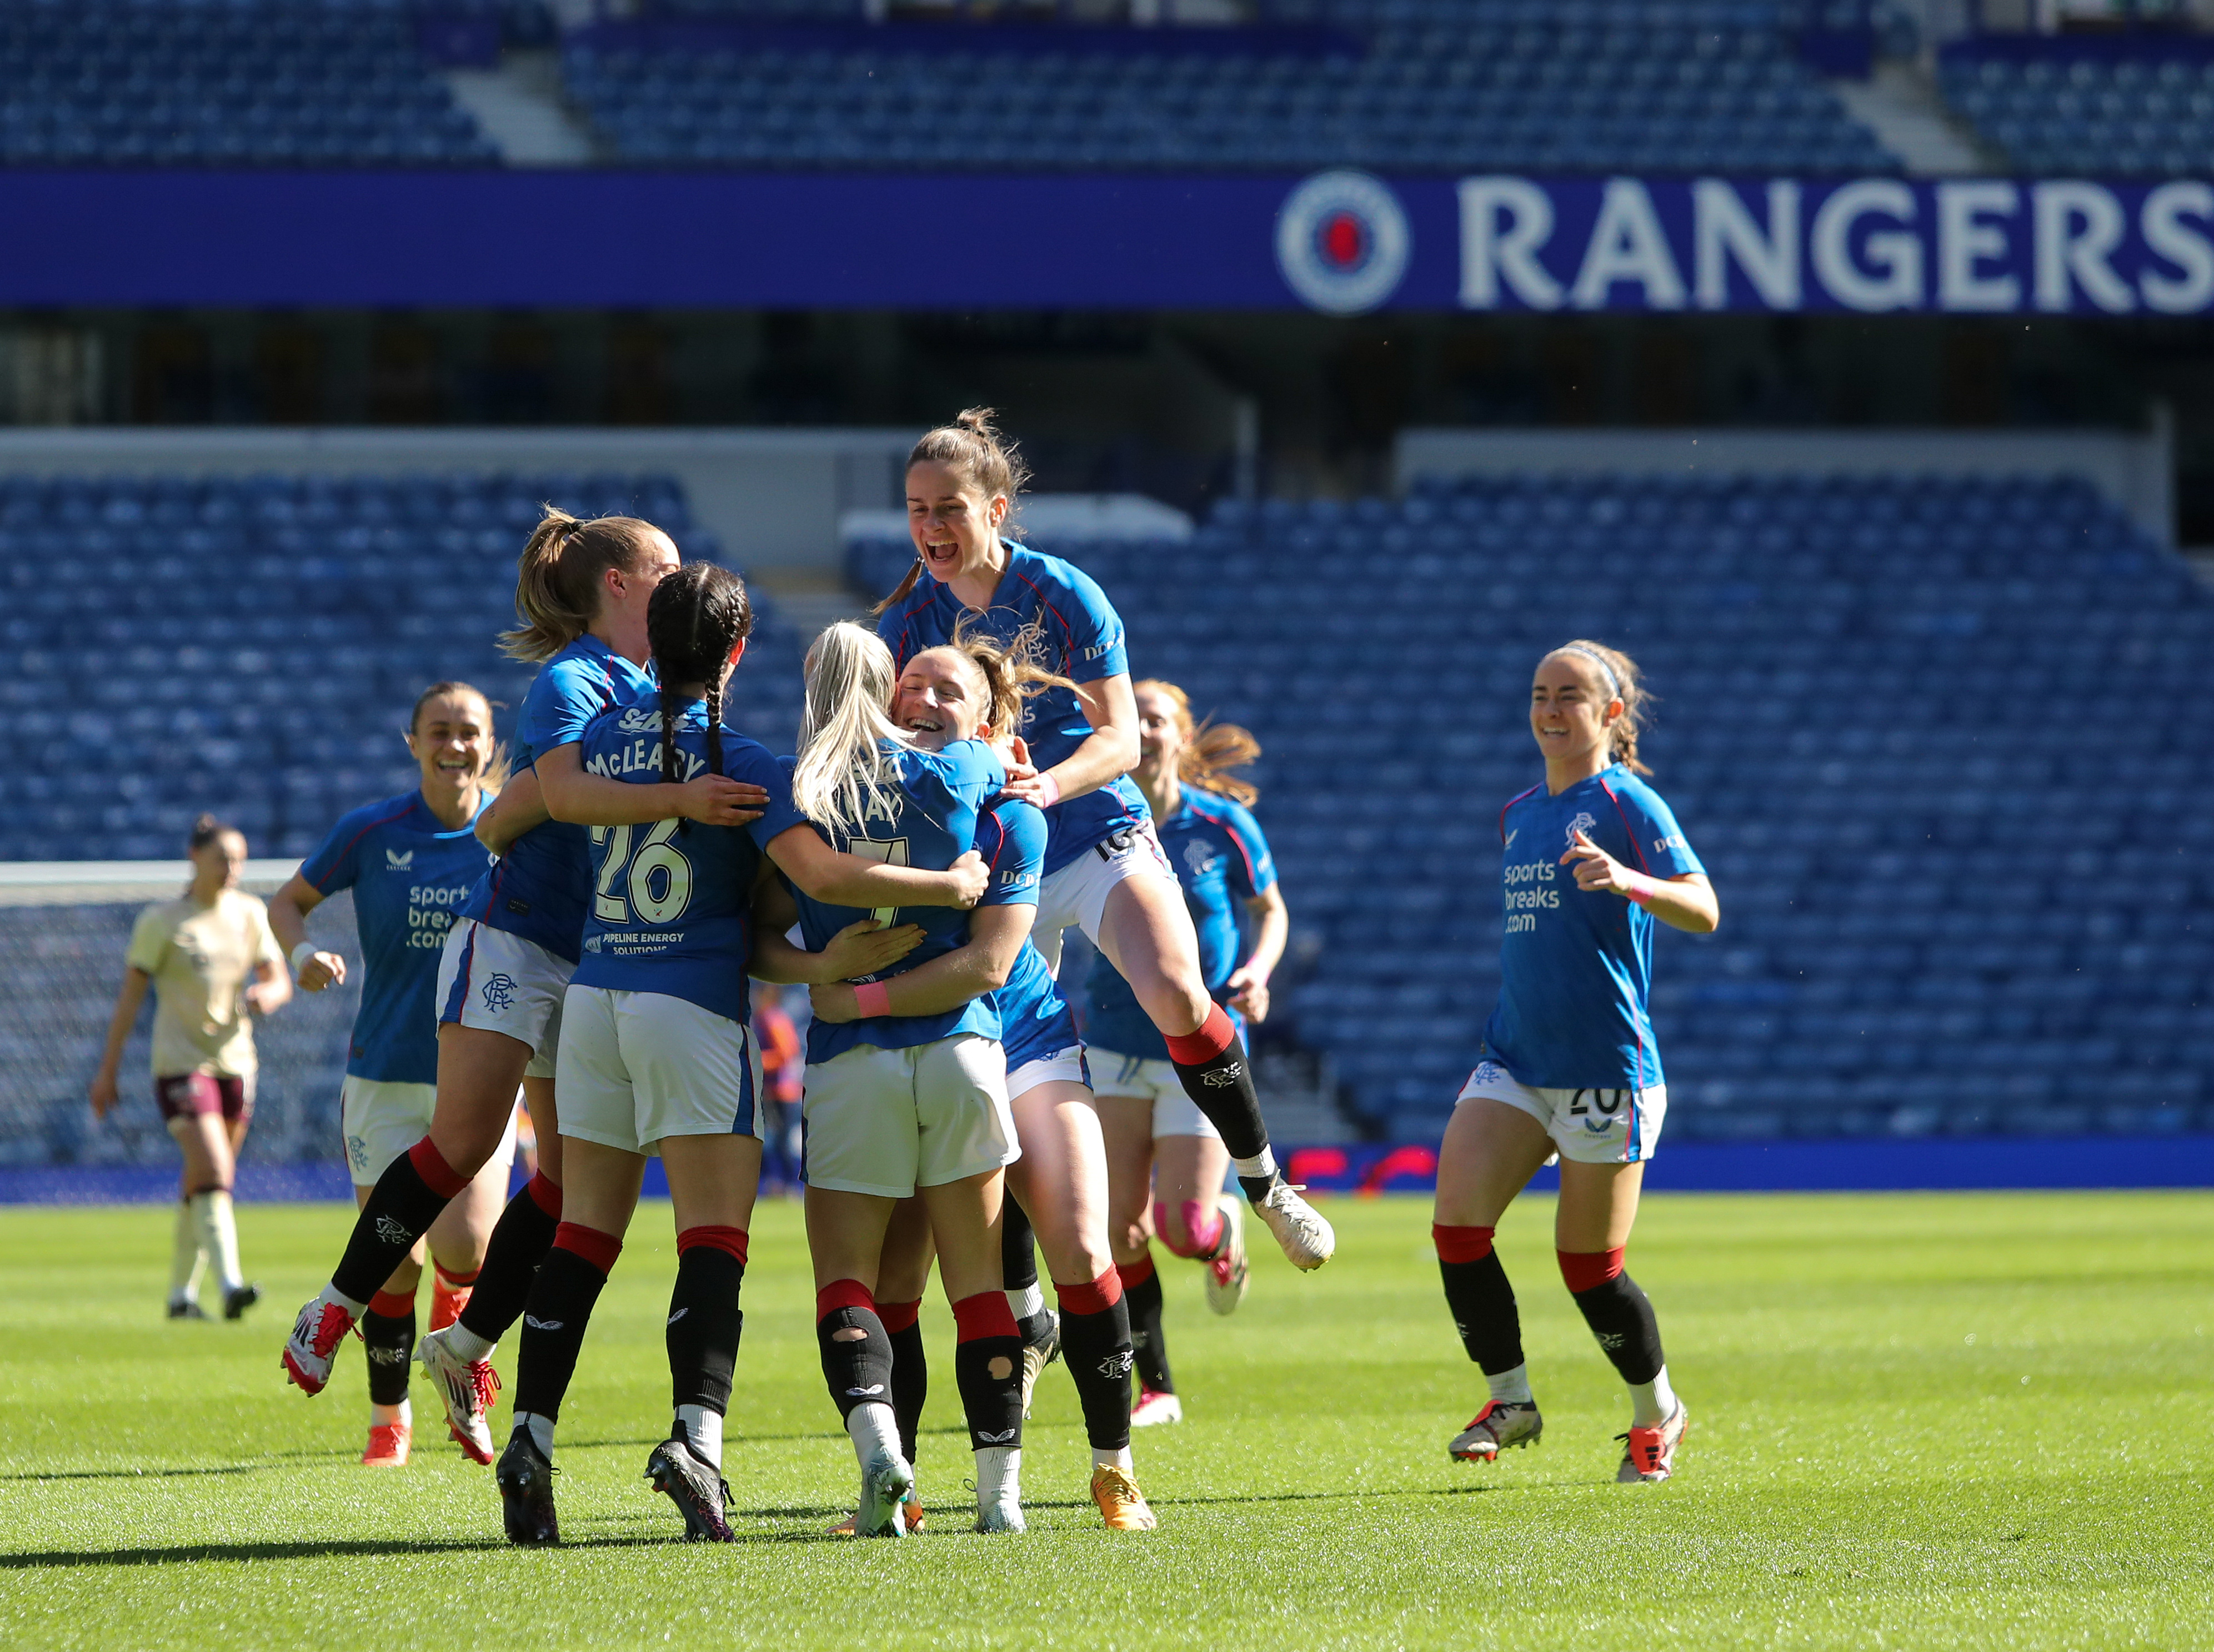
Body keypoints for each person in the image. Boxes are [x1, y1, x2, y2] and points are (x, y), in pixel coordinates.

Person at [283, 512, 985, 1459]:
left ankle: (467, 1344)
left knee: (571, 1183)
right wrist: (685, 800)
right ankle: (335, 1308)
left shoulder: (646, 693)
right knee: (465, 1144)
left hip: (595, 959)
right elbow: (533, 807)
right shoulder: (578, 680)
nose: (678, 576)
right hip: (520, 941)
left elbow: (528, 813)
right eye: (664, 566)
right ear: (619, 585)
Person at [490, 565, 928, 1545]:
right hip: (687, 1006)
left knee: (582, 1237)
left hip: (597, 997)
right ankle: (696, 1442)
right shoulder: (748, 761)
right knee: (713, 1241)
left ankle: (532, 1433)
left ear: (653, 637)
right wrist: (952, 885)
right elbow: (817, 871)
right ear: (737, 651)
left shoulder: (602, 736)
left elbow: (532, 809)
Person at [874, 409, 1333, 1273]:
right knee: (993, 1084)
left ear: (996, 509)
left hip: (1091, 828)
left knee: (1174, 987)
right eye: (916, 509)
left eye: (949, 509)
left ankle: (1265, 1183)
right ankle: (1024, 1308)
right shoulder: (906, 622)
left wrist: (1046, 783)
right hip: (993, 862)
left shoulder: (1062, 591)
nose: (930, 528)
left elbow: (1120, 737)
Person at [802, 631, 1154, 1534]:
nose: (918, 697)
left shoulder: (1007, 800)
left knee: (1078, 1243)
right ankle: (901, 1489)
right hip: (940, 1040)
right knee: (898, 1282)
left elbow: (993, 962)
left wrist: (853, 999)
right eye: (907, 683)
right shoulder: (868, 789)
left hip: (1017, 1031)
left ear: (994, 726)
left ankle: (1114, 1469)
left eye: (945, 690)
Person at [764, 621, 1035, 1538]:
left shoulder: (796, 787)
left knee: (847, 1282)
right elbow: (995, 774)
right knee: (978, 1289)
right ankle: (1000, 1502)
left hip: (853, 1059)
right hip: (960, 1050)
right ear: (885, 691)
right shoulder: (962, 771)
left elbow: (760, 932)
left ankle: (883, 1457)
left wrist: (827, 978)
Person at [1432, 641, 1718, 1485]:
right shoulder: (1519, 810)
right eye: (1539, 693)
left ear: (1610, 714)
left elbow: (1702, 907)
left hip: (1607, 1067)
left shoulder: (1628, 803)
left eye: (1570, 695)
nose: (1550, 709)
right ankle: (1510, 1397)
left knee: (1588, 1268)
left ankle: (1654, 1411)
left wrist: (1629, 878)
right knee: (1456, 1226)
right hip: (1515, 1056)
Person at [267, 681, 518, 1468]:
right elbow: (287, 902)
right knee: (394, 1262)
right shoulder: (372, 831)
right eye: (438, 730)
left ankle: (456, 1363)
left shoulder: (515, 829)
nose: (454, 744)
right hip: (384, 1073)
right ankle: (389, 1421)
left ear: (488, 741)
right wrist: (303, 955)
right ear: (412, 743)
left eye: (468, 731)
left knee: (467, 1246)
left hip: (479, 1069)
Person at [1087, 680, 1285, 1428]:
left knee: (1181, 1230)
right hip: (1111, 1038)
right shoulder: (1096, 810)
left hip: (1197, 1049)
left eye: (1156, 717)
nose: (1142, 726)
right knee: (1116, 1229)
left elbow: (1270, 910)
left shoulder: (1222, 824)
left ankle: (1222, 1224)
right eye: (1130, 715)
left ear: (1180, 734)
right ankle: (1157, 1385)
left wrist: (1257, 973)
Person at [90, 814, 291, 1322]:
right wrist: (107, 1069)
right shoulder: (163, 921)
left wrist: (268, 994)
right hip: (181, 1065)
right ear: (195, 857)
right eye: (224, 858)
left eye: (240, 859)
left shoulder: (249, 912)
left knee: (202, 1180)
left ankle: (181, 1297)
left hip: (238, 1062)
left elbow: (279, 978)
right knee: (215, 1170)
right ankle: (230, 1285)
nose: (233, 868)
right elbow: (130, 999)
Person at [753, 986, 804, 1197]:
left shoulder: (774, 1019)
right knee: (769, 1140)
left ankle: (788, 1185)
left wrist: (757, 1062)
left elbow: (786, 1053)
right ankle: (776, 1184)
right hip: (771, 1090)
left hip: (782, 1091)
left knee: (780, 1140)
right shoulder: (764, 1018)